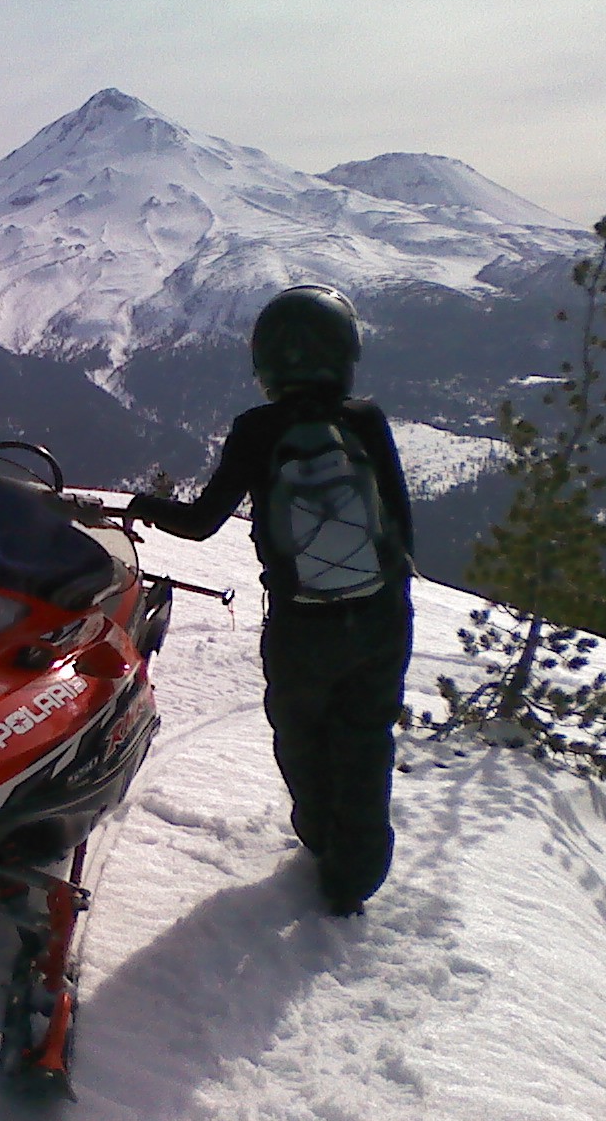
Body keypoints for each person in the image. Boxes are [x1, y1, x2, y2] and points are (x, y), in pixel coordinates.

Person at [125, 285, 414, 916]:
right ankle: (355, 874)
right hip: (382, 615)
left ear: (267, 364)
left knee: (301, 732)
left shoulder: (258, 429)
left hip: (301, 623)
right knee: (366, 737)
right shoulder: (366, 420)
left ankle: (319, 835)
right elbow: (402, 524)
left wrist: (143, 506)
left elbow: (203, 522)